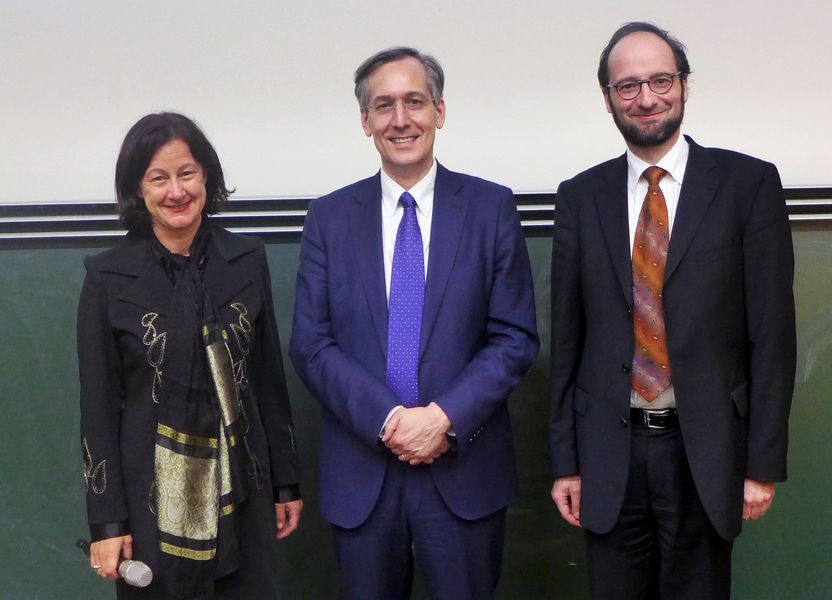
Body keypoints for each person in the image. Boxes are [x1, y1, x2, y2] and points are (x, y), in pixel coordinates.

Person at [548, 21, 797, 599]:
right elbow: (567, 337)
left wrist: (761, 465)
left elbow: (773, 335)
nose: (646, 97)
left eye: (660, 80)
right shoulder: (580, 196)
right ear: (608, 99)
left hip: (707, 449)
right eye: (627, 86)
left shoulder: (748, 184)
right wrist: (566, 462)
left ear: (684, 86)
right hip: (610, 452)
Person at [289, 47, 538, 599]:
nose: (400, 119)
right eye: (384, 106)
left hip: (464, 472)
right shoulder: (328, 218)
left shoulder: (491, 208)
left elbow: (514, 338)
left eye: (414, 102)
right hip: (363, 476)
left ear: (440, 112)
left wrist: (443, 420)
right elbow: (311, 343)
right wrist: (389, 420)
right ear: (365, 122)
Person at [77, 112, 303, 599]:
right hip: (151, 504)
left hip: (246, 490)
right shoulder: (108, 277)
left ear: (207, 177)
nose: (175, 191)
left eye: (186, 174)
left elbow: (268, 380)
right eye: (158, 178)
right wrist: (107, 520)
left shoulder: (246, 259)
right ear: (138, 189)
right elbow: (98, 408)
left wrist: (286, 483)